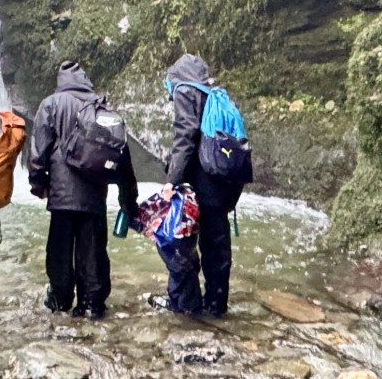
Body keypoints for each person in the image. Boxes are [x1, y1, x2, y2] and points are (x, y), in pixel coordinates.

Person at [28, 60, 139, 320]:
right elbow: (121, 154)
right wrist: (128, 199)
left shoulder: (51, 104)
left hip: (62, 193)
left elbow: (39, 149)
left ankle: (60, 301)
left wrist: (38, 183)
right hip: (94, 192)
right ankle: (91, 305)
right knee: (93, 251)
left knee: (60, 250)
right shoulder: (101, 108)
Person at [152, 53, 250, 317]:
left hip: (204, 181)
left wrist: (172, 180)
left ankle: (187, 305)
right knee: (217, 245)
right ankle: (216, 305)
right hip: (223, 179)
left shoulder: (185, 91)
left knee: (180, 240)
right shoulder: (214, 93)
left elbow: (185, 136)